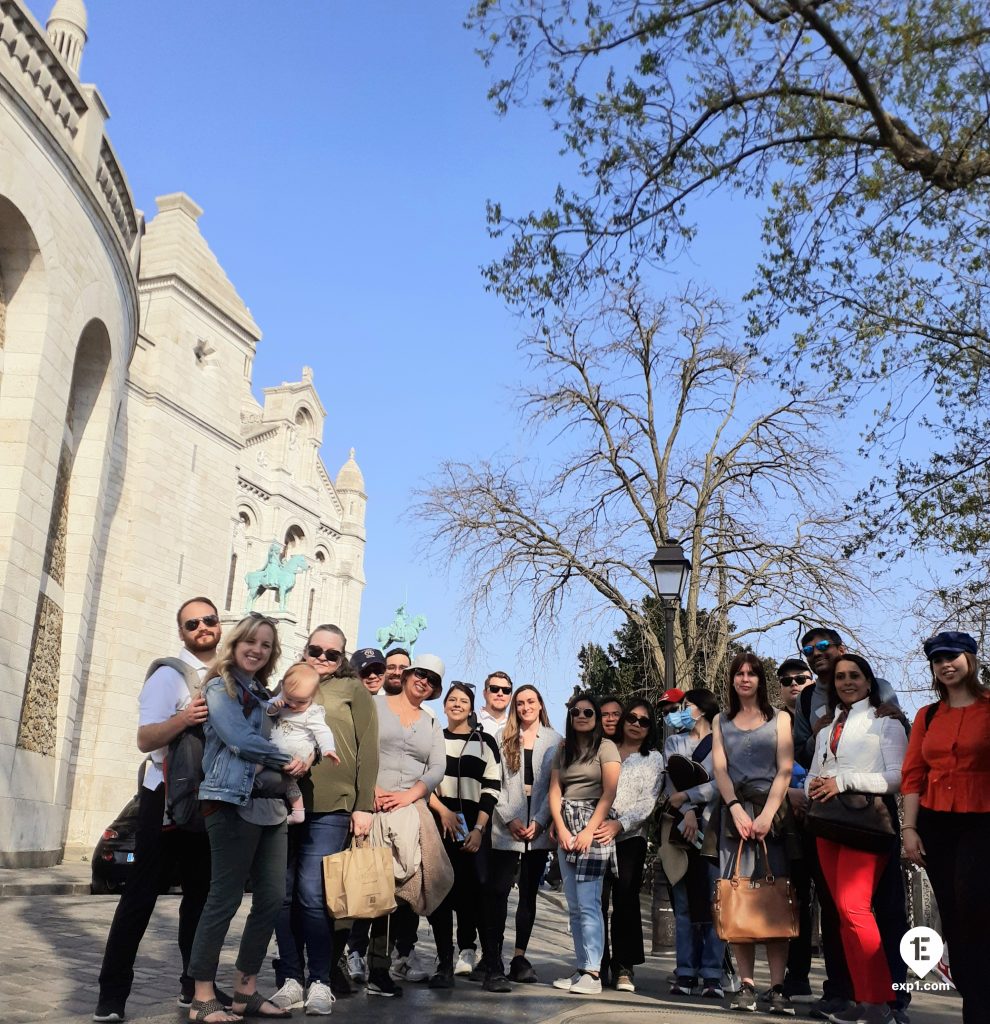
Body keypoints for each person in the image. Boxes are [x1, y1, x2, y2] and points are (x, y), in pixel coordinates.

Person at [94, 598, 225, 1024]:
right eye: (193, 623)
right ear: (182, 631)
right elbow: (146, 739)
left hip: (209, 800)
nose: (202, 627)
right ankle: (112, 996)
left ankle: (194, 984)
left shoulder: (229, 676)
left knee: (201, 899)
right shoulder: (169, 675)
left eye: (209, 620)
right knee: (139, 897)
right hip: (164, 799)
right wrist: (186, 718)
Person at [185, 614, 309, 1024]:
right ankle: (202, 996)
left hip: (271, 806)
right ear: (236, 643)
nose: (257, 649)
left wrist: (305, 756)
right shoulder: (220, 687)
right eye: (250, 641)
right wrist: (285, 759)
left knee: (272, 898)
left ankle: (245, 992)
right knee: (224, 898)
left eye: (266, 644)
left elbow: (281, 734)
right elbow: (238, 739)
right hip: (230, 802)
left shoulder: (262, 695)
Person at [792, 628, 909, 1021]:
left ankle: (884, 1002)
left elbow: (897, 778)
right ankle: (860, 999)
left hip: (867, 822)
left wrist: (843, 781)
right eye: (841, 678)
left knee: (858, 908)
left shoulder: (885, 721)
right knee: (841, 914)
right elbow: (813, 769)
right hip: (827, 825)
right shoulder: (824, 723)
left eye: (853, 676)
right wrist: (814, 785)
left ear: (868, 680)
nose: (845, 682)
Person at [270, 624, 378, 1016]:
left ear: (343, 658)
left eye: (333, 654)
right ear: (306, 649)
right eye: (316, 649)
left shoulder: (353, 691)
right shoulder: (290, 683)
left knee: (313, 895)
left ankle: (320, 979)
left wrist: (363, 805)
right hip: (283, 800)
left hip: (332, 806)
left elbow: (368, 750)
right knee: (281, 894)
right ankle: (290, 979)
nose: (323, 658)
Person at [902, 631, 990, 1024]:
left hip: (983, 820)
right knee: (953, 916)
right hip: (936, 822)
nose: (946, 664)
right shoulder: (927, 715)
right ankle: (976, 1005)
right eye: (938, 660)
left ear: (971, 659)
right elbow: (912, 775)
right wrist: (909, 828)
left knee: (975, 906)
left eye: (953, 656)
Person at [712, 652, 795, 1015]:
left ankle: (777, 986)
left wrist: (767, 815)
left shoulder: (780, 719)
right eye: (739, 674)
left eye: (752, 673)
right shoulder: (720, 721)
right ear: (731, 681)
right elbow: (720, 770)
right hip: (734, 819)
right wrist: (734, 808)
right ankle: (746, 984)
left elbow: (785, 769)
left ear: (761, 680)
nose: (745, 679)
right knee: (738, 897)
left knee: (775, 898)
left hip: (771, 817)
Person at [366, 654, 447, 996]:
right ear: (408, 673)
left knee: (397, 891)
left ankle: (379, 967)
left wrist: (409, 796)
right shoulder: (375, 706)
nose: (423, 681)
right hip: (370, 805)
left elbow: (436, 768)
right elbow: (360, 749)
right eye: (420, 674)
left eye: (431, 679)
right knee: (360, 883)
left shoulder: (430, 722)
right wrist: (371, 787)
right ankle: (336, 964)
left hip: (408, 809)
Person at [425, 682, 503, 988]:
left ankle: (492, 965)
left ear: (471, 708)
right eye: (452, 700)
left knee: (481, 891)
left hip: (473, 826)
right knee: (442, 892)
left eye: (463, 701)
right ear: (444, 706)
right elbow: (423, 781)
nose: (457, 704)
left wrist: (479, 828)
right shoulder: (433, 740)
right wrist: (442, 812)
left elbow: (492, 786)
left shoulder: (485, 742)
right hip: (439, 823)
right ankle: (444, 963)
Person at [488, 684, 563, 985]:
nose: (525, 707)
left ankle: (519, 957)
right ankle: (492, 956)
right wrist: (509, 819)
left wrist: (542, 820)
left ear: (541, 705)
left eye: (531, 701)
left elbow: (557, 787)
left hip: (538, 830)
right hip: (507, 828)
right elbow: (493, 784)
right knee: (499, 894)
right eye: (520, 703)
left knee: (529, 895)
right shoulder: (501, 738)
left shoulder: (555, 740)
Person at [549, 692, 621, 995]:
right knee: (575, 905)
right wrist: (563, 829)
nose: (581, 716)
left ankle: (593, 971)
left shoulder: (606, 747)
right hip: (566, 825)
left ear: (596, 718)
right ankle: (582, 967)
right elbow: (555, 790)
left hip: (594, 822)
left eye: (588, 712)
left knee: (591, 902)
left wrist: (589, 831)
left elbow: (610, 792)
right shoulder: (563, 750)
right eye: (576, 712)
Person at [596, 698, 664, 992]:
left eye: (644, 721)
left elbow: (648, 801)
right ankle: (596, 962)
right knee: (596, 900)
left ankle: (624, 966)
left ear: (650, 728)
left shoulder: (654, 758)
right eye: (632, 718)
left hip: (631, 836)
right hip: (597, 832)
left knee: (625, 900)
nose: (636, 724)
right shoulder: (603, 750)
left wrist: (619, 824)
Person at [662, 687, 725, 1000]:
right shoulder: (673, 742)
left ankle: (713, 973)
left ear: (702, 709)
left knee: (716, 903)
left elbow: (723, 782)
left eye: (686, 706)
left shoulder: (723, 740)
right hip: (682, 830)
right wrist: (685, 812)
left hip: (715, 828)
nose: (680, 712)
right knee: (684, 904)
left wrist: (691, 798)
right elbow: (670, 782)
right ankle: (685, 971)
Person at [775, 659, 814, 1006]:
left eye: (801, 679)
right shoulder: (774, 723)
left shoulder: (826, 716)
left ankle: (846, 982)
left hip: (831, 815)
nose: (794, 685)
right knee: (796, 898)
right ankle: (797, 976)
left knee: (839, 902)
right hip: (788, 824)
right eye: (786, 680)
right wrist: (788, 791)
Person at [260, 664, 338, 824]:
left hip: (296, 750)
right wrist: (275, 706)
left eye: (301, 702)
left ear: (313, 696)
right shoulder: (281, 698)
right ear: (283, 687)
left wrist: (328, 749)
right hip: (279, 745)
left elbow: (323, 731)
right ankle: (297, 812)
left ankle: (297, 812)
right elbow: (267, 712)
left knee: (280, 775)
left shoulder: (312, 712)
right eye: (290, 699)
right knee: (279, 776)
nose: (294, 705)